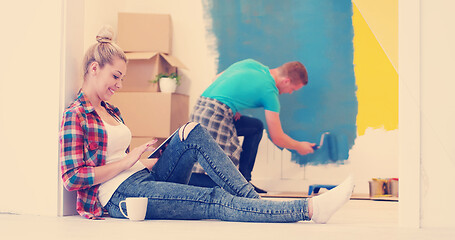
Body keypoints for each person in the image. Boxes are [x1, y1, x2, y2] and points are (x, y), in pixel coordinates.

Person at [59, 26, 354, 223]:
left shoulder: (111, 109)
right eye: (116, 77)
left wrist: (142, 161)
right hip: (119, 195)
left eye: (122, 77)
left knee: (192, 131)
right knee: (214, 198)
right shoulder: (76, 114)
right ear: (94, 69)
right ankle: (310, 209)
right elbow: (72, 178)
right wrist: (127, 162)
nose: (120, 84)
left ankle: (253, 203)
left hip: (139, 176)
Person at [189, 59, 314, 193]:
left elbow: (216, 78)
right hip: (214, 115)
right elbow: (277, 137)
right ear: (286, 81)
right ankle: (189, 182)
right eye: (292, 89)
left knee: (255, 127)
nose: (290, 92)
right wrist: (299, 146)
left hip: (200, 108)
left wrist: (233, 107)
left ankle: (244, 182)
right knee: (221, 177)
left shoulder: (252, 64)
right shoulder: (269, 92)